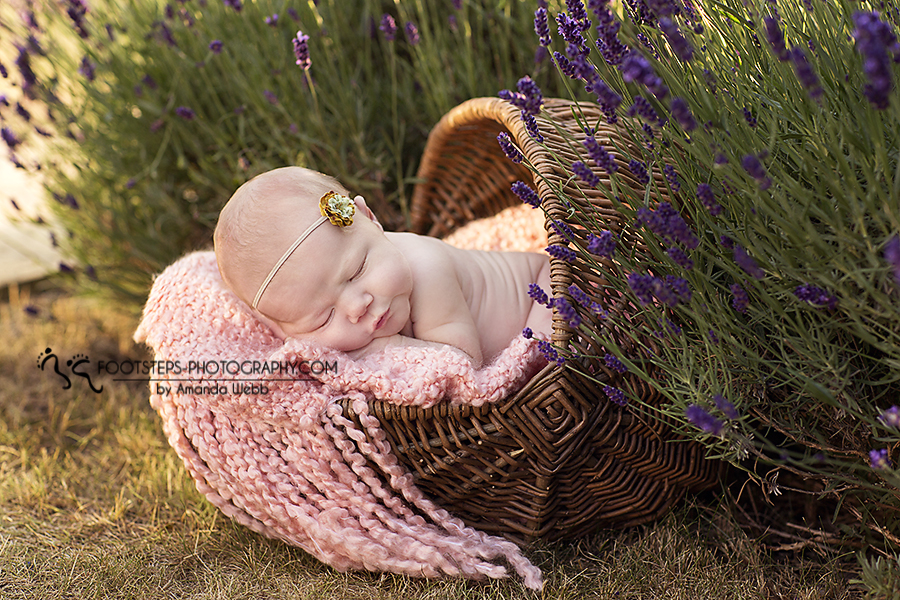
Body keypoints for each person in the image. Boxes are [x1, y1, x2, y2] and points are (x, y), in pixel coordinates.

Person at [214, 166, 552, 368]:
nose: (356, 307)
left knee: (546, 350)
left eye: (357, 270)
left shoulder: (427, 270)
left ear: (370, 219)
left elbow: (462, 365)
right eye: (323, 317)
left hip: (546, 288)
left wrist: (386, 349)